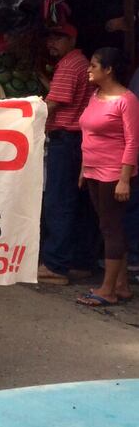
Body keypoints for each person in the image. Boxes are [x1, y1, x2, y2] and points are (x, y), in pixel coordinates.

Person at [76, 48, 139, 307]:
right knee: (107, 225)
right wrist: (83, 168)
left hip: (114, 173)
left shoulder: (127, 99)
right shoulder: (95, 95)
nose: (88, 70)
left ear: (108, 70)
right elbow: (88, 135)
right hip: (92, 170)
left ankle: (108, 290)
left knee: (111, 228)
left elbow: (133, 141)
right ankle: (120, 285)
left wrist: (124, 178)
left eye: (93, 66)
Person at [39, 23, 96, 285]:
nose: (52, 42)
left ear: (72, 39)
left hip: (67, 140)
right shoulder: (80, 63)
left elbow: (52, 104)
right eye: (50, 37)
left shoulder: (70, 64)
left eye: (59, 37)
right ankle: (81, 262)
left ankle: (55, 265)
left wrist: (24, 115)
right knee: (80, 203)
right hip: (79, 142)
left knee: (58, 203)